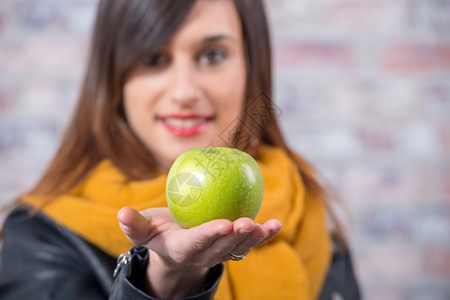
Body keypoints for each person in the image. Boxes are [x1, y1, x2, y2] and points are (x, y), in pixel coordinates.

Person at [0, 0, 360, 299]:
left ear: (253, 67)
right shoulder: (40, 237)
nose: (185, 91)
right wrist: (166, 280)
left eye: (213, 55)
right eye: (154, 59)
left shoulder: (305, 205)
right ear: (114, 80)